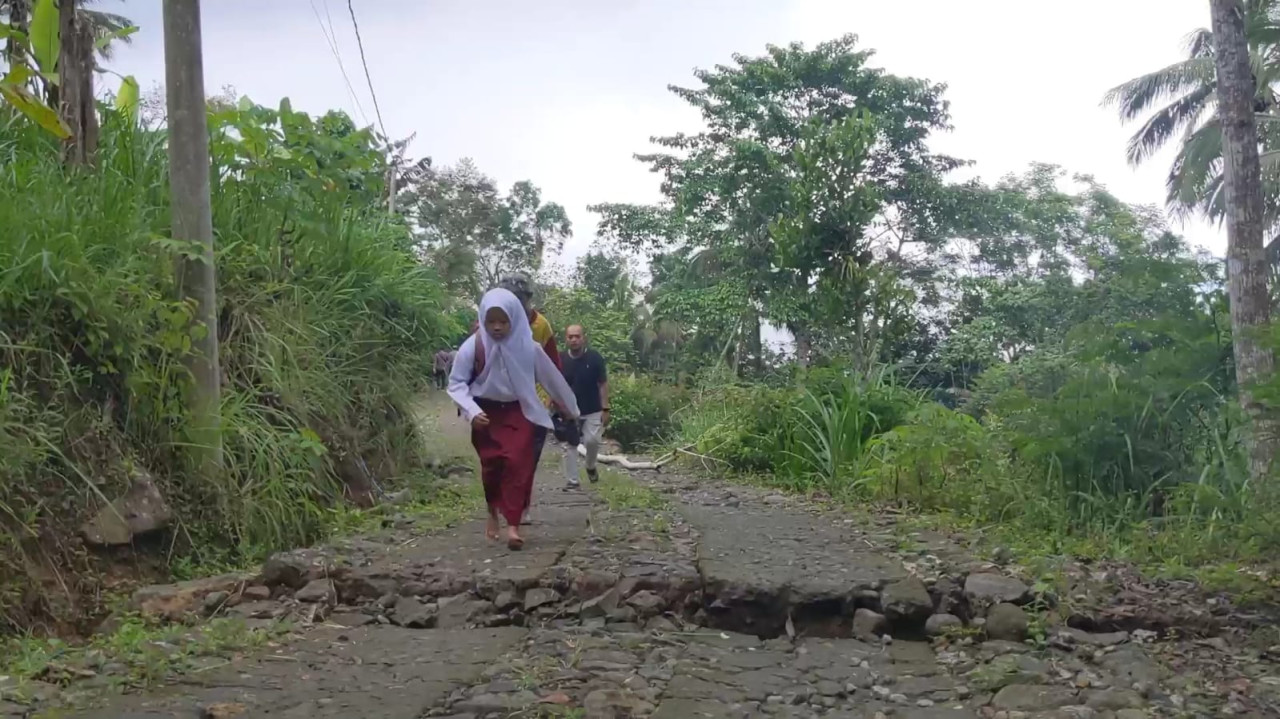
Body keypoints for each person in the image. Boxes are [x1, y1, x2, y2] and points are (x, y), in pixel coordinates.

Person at [447, 289, 579, 550]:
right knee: (491, 467)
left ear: (515, 320)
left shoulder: (529, 348)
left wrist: (569, 408)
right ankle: (491, 513)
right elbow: (456, 384)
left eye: (503, 322)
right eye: (491, 321)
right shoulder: (473, 346)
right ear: (483, 320)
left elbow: (551, 378)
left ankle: (513, 527)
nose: (497, 327)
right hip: (485, 414)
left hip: (519, 411)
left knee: (518, 466)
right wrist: (471, 412)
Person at [496, 273, 561, 524]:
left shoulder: (541, 325)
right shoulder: (491, 321)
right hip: (498, 401)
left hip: (532, 402)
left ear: (528, 300)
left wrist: (551, 398)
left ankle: (521, 505)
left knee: (527, 457)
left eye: (519, 299)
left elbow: (552, 365)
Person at [560, 324, 609, 487]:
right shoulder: (561, 359)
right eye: (570, 337)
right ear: (566, 339)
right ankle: (572, 481)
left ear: (583, 338)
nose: (574, 340)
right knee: (571, 445)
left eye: (577, 336)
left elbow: (602, 383)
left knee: (592, 441)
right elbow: (555, 384)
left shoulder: (595, 358)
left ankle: (590, 466)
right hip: (570, 410)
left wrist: (605, 408)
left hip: (593, 408)